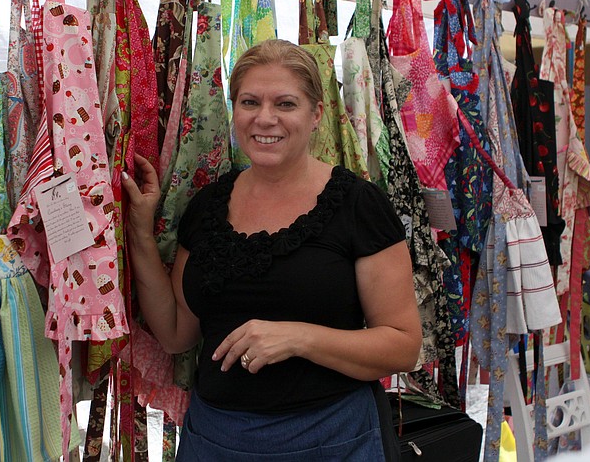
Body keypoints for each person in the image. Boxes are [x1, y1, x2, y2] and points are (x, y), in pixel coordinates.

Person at [121, 39, 421, 460]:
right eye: (249, 102)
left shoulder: (358, 205)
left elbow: (403, 346)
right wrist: (140, 231)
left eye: (285, 104)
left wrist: (299, 338)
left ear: (316, 114)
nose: (265, 118)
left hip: (331, 437)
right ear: (234, 111)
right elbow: (174, 333)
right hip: (215, 438)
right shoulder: (207, 206)